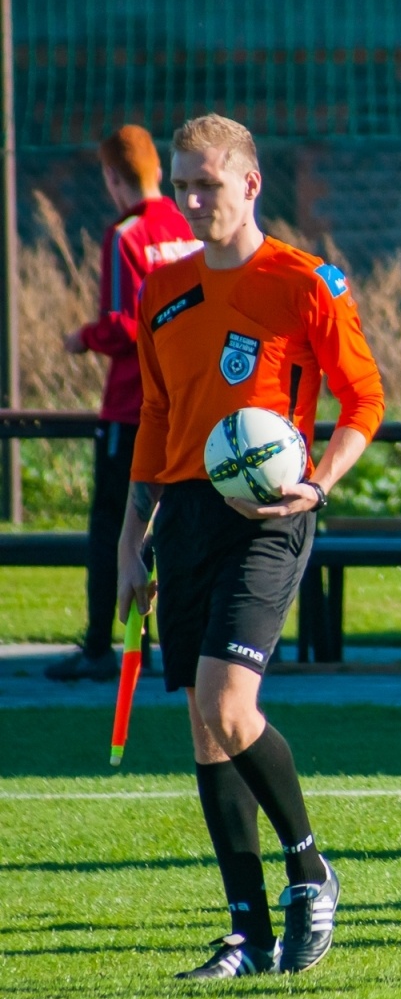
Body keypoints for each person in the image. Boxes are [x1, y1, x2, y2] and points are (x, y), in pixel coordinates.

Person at [119, 114, 385, 979]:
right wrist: (131, 539)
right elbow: (156, 416)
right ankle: (247, 932)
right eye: (182, 185)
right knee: (205, 728)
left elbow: (364, 398)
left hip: (271, 514)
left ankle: (311, 872)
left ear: (250, 182)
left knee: (228, 704)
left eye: (208, 183)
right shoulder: (164, 290)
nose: (193, 200)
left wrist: (321, 481)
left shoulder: (305, 282)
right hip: (186, 518)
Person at [45, 126, 198, 683]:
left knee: (113, 526)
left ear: (112, 177)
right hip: (187, 402)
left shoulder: (125, 235)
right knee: (180, 521)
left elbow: (122, 325)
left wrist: (82, 338)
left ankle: (99, 647)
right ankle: (178, 642)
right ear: (158, 168)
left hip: (133, 405)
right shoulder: (189, 228)